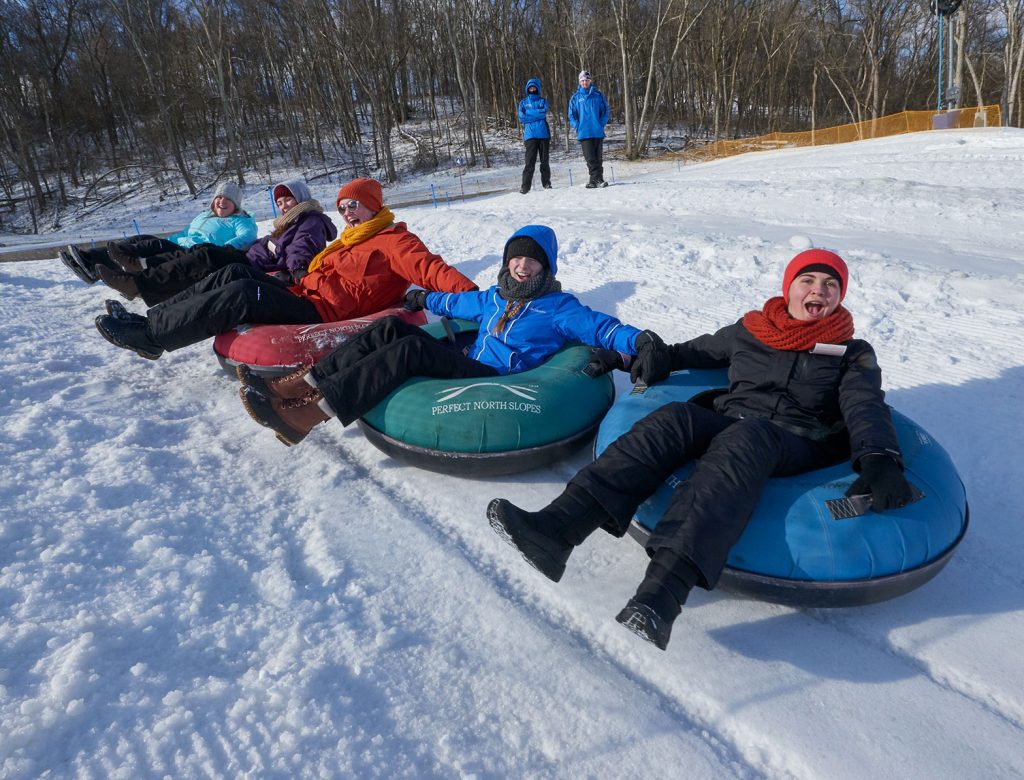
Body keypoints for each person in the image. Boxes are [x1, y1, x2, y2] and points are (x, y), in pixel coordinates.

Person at [487, 248, 915, 651]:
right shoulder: (752, 330)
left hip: (798, 438)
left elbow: (864, 404)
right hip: (735, 419)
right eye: (808, 280)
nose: (818, 290)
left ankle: (661, 597)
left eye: (830, 284)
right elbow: (690, 352)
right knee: (677, 416)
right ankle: (555, 531)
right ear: (789, 288)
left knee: (747, 438)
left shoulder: (851, 352)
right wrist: (634, 359)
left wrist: (879, 459)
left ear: (840, 297)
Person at [236, 224, 664, 447]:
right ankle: (298, 384)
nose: (522, 267)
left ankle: (306, 416)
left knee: (409, 348)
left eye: (532, 262)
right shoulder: (494, 296)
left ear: (546, 268)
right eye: (517, 258)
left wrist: (639, 339)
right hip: (470, 359)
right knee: (389, 326)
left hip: (497, 378)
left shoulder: (560, 308)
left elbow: (602, 326)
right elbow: (453, 304)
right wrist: (421, 297)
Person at [93, 178, 477, 361]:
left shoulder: (393, 241)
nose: (347, 213)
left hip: (321, 311)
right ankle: (152, 317)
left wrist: (477, 299)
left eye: (355, 206)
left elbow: (432, 269)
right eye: (342, 206)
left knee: (242, 293)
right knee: (231, 274)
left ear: (374, 206)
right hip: (303, 293)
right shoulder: (351, 239)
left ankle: (152, 337)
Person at [95, 179, 336, 306]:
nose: (283, 206)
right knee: (202, 251)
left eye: (288, 200)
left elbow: (301, 247)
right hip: (252, 258)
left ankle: (139, 283)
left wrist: (298, 270)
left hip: (255, 266)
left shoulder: (310, 220)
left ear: (301, 199)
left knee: (206, 256)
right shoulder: (288, 222)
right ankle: (136, 271)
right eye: (280, 202)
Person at [59, 182, 257, 284]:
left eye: (227, 200)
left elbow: (247, 237)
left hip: (197, 252)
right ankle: (92, 262)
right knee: (141, 239)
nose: (221, 202)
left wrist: (225, 248)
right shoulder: (205, 215)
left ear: (236, 204)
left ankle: (92, 263)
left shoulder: (241, 221)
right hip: (179, 244)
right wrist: (168, 241)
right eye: (218, 198)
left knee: (145, 246)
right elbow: (187, 232)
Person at [568, 70, 610, 189]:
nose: (584, 82)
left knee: (598, 158)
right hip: (584, 132)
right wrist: (577, 126)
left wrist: (601, 123)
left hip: (597, 131)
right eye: (582, 80)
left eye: (586, 80)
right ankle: (598, 179)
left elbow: (606, 110)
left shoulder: (598, 95)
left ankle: (594, 181)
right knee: (590, 158)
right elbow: (571, 115)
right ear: (579, 82)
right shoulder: (575, 98)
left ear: (590, 81)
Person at [518, 78, 552, 194]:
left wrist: (529, 113)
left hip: (543, 134)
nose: (532, 89)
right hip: (530, 136)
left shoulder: (543, 101)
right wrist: (536, 114)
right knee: (529, 162)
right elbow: (521, 117)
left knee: (544, 161)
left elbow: (543, 113)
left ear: (538, 88)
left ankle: (546, 183)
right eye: (530, 87)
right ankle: (525, 187)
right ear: (527, 89)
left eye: (534, 87)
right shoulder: (523, 103)